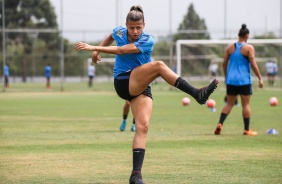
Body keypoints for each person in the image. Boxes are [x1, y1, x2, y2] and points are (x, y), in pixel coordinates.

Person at [75, 5, 218, 184]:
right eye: (131, 27)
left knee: (143, 127)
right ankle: (197, 93)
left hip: (141, 86)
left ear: (144, 25)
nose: (135, 31)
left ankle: (136, 175)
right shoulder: (120, 31)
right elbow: (111, 36)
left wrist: (93, 48)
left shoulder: (147, 40)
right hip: (124, 81)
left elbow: (122, 50)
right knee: (158, 66)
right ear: (126, 25)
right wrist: (95, 52)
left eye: (139, 27)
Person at [214, 24, 263, 136]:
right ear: (247, 35)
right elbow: (253, 64)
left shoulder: (229, 48)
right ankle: (246, 130)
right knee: (246, 105)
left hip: (231, 80)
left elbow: (224, 63)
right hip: (244, 81)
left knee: (229, 104)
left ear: (238, 35)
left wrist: (227, 76)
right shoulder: (249, 48)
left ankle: (220, 124)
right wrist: (260, 78)